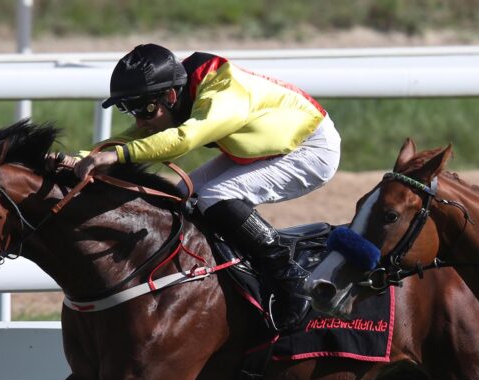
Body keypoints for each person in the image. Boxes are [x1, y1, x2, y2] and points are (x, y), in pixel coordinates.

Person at [61, 43, 341, 331]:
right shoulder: (180, 89)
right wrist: (83, 157)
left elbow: (182, 140)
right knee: (182, 193)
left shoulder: (223, 96)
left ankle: (291, 281)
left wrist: (117, 156)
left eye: (144, 109)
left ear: (170, 95)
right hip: (272, 147)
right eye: (129, 110)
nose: (139, 121)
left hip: (311, 149)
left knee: (215, 196)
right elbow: (134, 135)